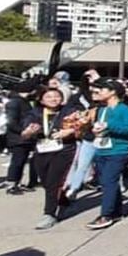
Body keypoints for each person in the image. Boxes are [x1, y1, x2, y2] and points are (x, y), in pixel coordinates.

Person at [88, 78, 128, 230]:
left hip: (118, 150)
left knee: (109, 181)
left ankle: (106, 214)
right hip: (101, 149)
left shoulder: (125, 109)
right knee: (107, 181)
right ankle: (116, 211)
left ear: (113, 92)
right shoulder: (102, 110)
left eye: (102, 90)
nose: (98, 93)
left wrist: (110, 126)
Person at [31, 87, 82, 230]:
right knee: (46, 182)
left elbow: (82, 125)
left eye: (56, 96)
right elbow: (26, 127)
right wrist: (29, 131)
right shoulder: (35, 112)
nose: (53, 99)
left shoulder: (69, 110)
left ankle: (49, 214)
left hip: (64, 150)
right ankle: (64, 202)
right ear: (41, 100)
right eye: (49, 97)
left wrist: (70, 130)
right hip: (42, 149)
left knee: (54, 181)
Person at [4, 79, 40, 194]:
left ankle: (16, 183)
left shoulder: (23, 101)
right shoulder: (15, 102)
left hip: (25, 137)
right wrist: (23, 131)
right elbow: (11, 122)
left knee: (22, 160)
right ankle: (11, 184)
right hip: (18, 138)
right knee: (17, 161)